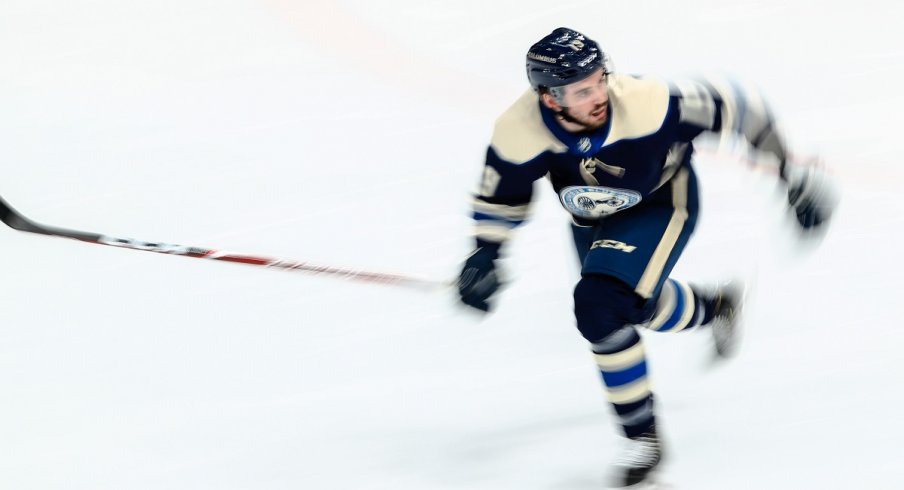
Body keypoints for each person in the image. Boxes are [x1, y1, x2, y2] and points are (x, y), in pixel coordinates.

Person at [456, 27, 835, 487]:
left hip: (660, 202)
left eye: (599, 79)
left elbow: (733, 109)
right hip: (592, 218)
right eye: (581, 89)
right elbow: (503, 195)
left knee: (600, 307)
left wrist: (789, 174)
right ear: (549, 98)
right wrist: (486, 253)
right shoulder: (519, 131)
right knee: (628, 308)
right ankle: (715, 307)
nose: (598, 94)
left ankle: (642, 440)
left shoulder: (647, 103)